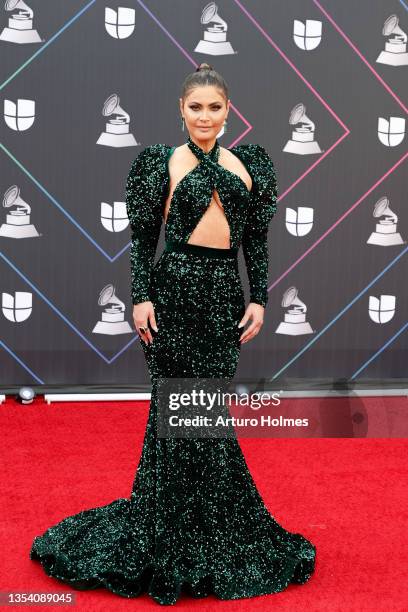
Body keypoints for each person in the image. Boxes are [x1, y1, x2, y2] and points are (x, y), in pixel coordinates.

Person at [30, 63, 316, 605]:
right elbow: (142, 241)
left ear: (229, 111)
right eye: (195, 107)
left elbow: (254, 243)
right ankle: (170, 531)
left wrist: (260, 297)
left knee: (208, 412)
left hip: (223, 299)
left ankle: (214, 527)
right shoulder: (159, 163)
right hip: (174, 295)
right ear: (180, 111)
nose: (204, 116)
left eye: (214, 107)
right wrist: (140, 297)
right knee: (176, 412)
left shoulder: (251, 164)